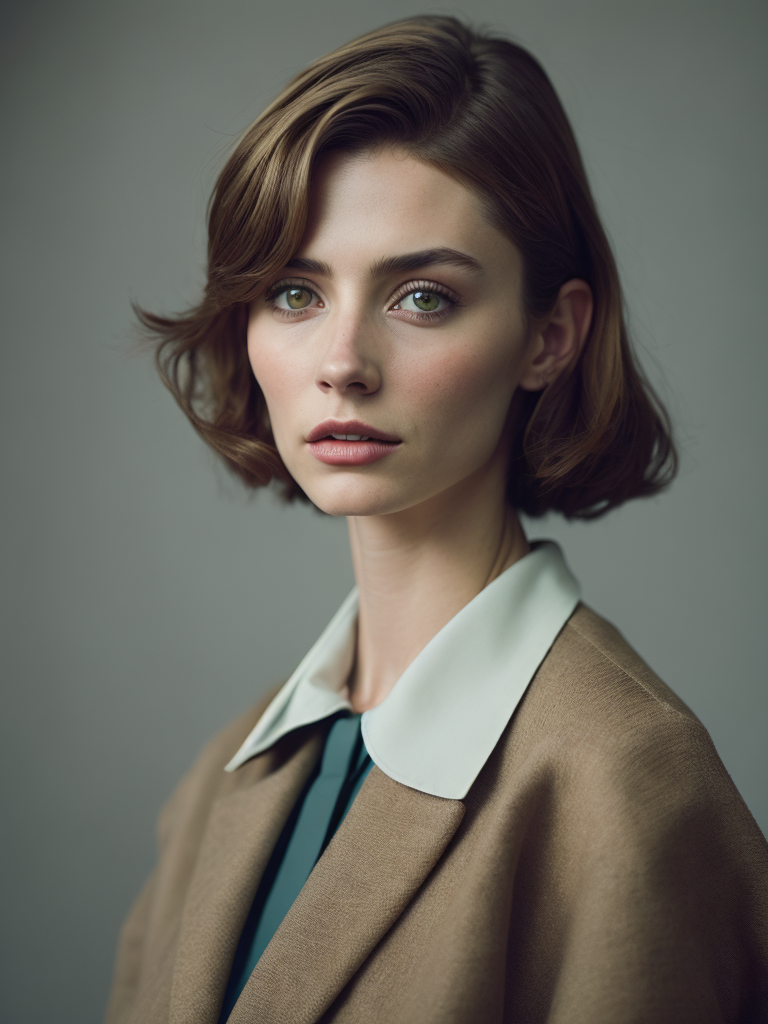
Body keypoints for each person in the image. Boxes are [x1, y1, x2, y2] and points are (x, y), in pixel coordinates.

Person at [104, 14, 768, 1024]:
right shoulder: (217, 786)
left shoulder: (633, 787)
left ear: (551, 335)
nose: (342, 361)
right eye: (294, 292)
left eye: (420, 296)